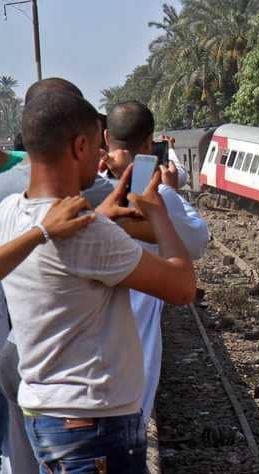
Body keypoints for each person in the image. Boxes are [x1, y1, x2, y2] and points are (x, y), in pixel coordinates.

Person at [0, 91, 196, 472]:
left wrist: (101, 217)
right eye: (97, 145)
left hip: (47, 413)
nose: (102, 157)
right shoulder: (88, 236)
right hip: (93, 425)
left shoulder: (9, 213)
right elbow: (182, 285)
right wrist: (157, 213)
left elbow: (64, 257)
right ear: (79, 145)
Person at [84, 100, 208, 427]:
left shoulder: (59, 197)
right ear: (148, 142)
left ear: (105, 136)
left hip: (61, 384)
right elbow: (196, 242)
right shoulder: (157, 198)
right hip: (127, 376)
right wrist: (167, 193)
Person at [0, 77, 100, 474]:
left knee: (18, 442)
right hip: (62, 363)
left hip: (13, 341)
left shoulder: (9, 199)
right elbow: (180, 282)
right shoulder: (88, 197)